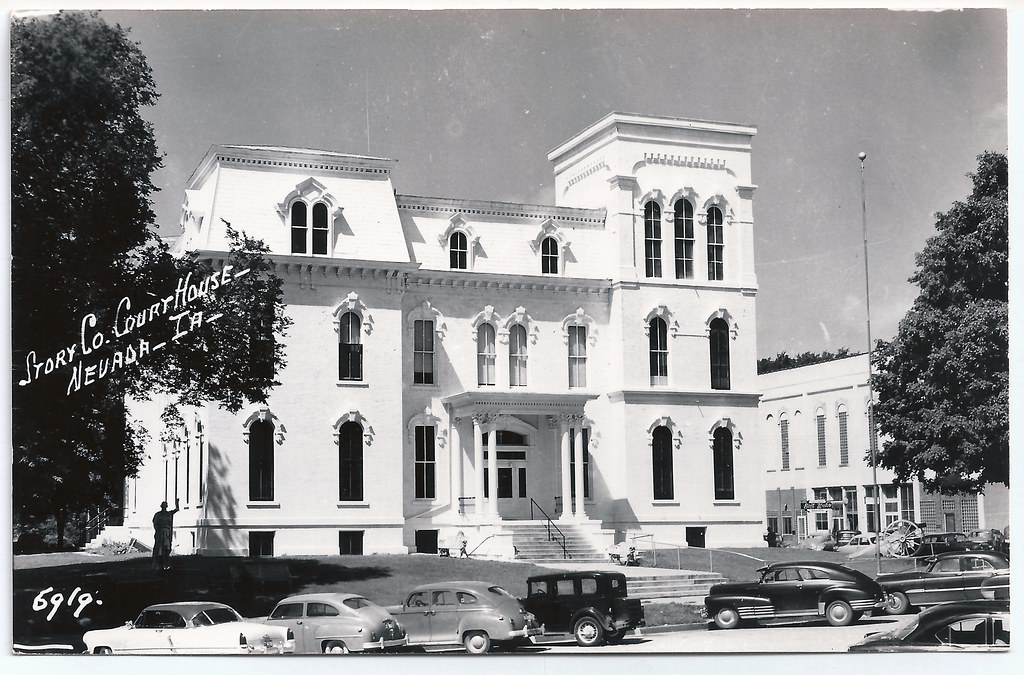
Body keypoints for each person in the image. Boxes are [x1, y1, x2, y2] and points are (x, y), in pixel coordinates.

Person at [153, 498, 180, 570]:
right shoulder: (158, 514)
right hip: (160, 533)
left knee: (167, 548)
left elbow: (177, 509)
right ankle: (159, 564)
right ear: (161, 506)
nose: (164, 507)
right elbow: (155, 523)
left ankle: (166, 564)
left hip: (167, 533)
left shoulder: (169, 514)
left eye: (165, 505)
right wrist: (158, 531)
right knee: (159, 549)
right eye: (163, 505)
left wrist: (177, 502)